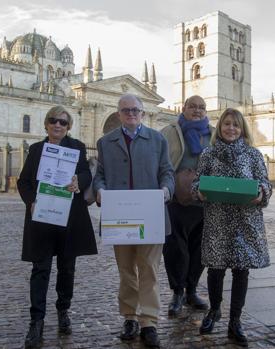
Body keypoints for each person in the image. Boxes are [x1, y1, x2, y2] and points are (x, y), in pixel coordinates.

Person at [92, 94, 174, 348]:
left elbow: (167, 172)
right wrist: (100, 190)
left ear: (142, 112)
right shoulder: (105, 142)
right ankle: (129, 316)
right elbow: (100, 175)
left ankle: (148, 321)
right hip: (120, 217)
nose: (131, 114)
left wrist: (166, 190)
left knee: (148, 268)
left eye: (135, 110)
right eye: (126, 110)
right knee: (126, 270)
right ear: (119, 114)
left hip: (150, 215)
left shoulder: (158, 139)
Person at [18, 106, 98, 348]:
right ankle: (37, 320)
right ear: (46, 124)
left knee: (67, 268)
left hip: (69, 218)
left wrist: (78, 181)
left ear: (68, 126)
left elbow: (86, 174)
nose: (58, 125)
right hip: (42, 217)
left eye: (63, 122)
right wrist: (31, 201)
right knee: (40, 269)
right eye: (53, 121)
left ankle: (63, 310)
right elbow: (23, 182)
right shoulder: (36, 150)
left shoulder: (78, 147)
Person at [192, 108, 272, 347]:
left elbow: (265, 182)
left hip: (245, 221)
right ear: (220, 127)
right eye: (227, 124)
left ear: (242, 129)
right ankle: (214, 310)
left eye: (236, 125)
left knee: (241, 271)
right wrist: (199, 191)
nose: (231, 129)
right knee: (215, 270)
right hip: (217, 219)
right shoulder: (208, 154)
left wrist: (261, 192)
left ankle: (235, 320)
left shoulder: (253, 155)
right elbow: (198, 181)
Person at [161, 95, 213, 316]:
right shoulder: (170, 131)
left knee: (199, 250)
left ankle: (191, 290)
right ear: (183, 108)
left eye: (201, 107)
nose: (197, 110)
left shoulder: (213, 134)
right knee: (175, 249)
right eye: (193, 106)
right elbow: (161, 161)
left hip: (204, 199)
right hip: (176, 198)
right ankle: (177, 292)